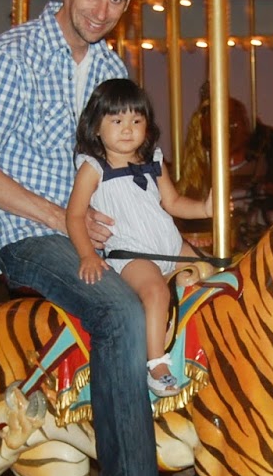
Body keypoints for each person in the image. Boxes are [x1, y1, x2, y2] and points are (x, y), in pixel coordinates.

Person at [0, 0, 211, 476]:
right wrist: (62, 215)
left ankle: (194, 446)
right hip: (29, 232)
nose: (101, 11)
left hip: (111, 233)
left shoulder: (110, 70)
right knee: (120, 311)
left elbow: (139, 172)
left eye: (116, 0)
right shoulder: (11, 56)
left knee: (206, 284)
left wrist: (183, 238)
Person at [66, 79, 210, 396]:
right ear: (97, 127)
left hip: (171, 247)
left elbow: (173, 202)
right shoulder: (93, 168)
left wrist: (204, 208)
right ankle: (156, 365)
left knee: (210, 277)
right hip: (131, 254)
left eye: (136, 120)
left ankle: (201, 346)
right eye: (117, 121)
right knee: (155, 291)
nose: (128, 129)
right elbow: (75, 215)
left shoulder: (153, 161)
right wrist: (87, 254)